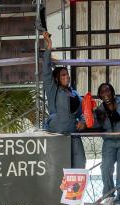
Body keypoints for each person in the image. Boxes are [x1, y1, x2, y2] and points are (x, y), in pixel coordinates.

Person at [43, 31, 86, 168]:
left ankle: (76, 190)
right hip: (57, 133)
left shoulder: (75, 93)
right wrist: (48, 47)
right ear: (56, 78)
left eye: (67, 75)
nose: (67, 77)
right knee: (59, 167)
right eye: (63, 75)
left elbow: (82, 113)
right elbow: (46, 70)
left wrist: (83, 122)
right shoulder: (53, 89)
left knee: (80, 163)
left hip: (73, 132)